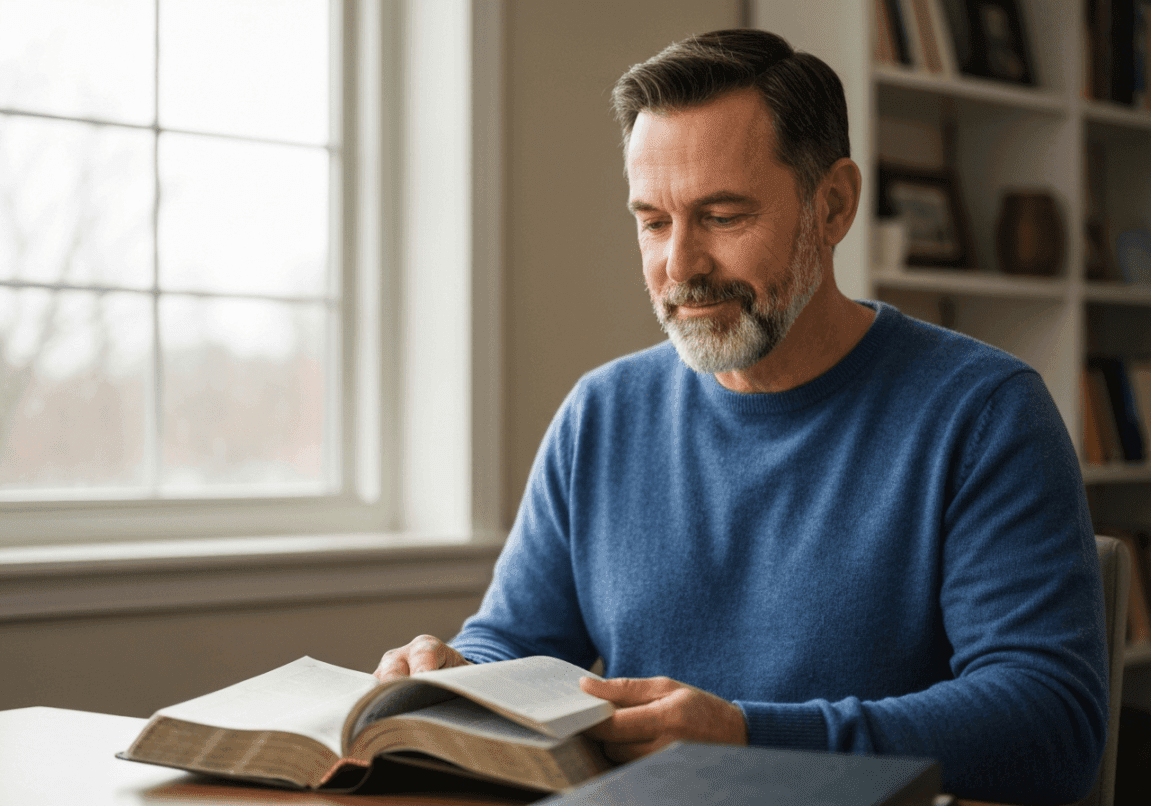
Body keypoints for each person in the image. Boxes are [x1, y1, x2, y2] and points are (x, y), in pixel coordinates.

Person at [375, 29, 1107, 804]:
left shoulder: (982, 413)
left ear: (831, 206)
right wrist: (454, 673)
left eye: (721, 216)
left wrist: (750, 739)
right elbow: (515, 641)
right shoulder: (601, 412)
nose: (680, 267)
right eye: (654, 221)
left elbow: (1050, 724)